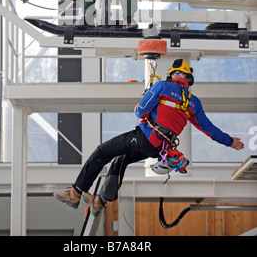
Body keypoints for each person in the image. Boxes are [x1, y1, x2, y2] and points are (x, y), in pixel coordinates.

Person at [54, 59, 244, 217]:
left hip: (144, 137)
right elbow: (208, 128)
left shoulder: (162, 86)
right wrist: (230, 141)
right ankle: (99, 202)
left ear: (172, 74)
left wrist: (139, 106)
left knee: (101, 152)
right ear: (188, 79)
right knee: (121, 159)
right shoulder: (193, 102)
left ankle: (75, 192)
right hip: (157, 149)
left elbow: (141, 111)